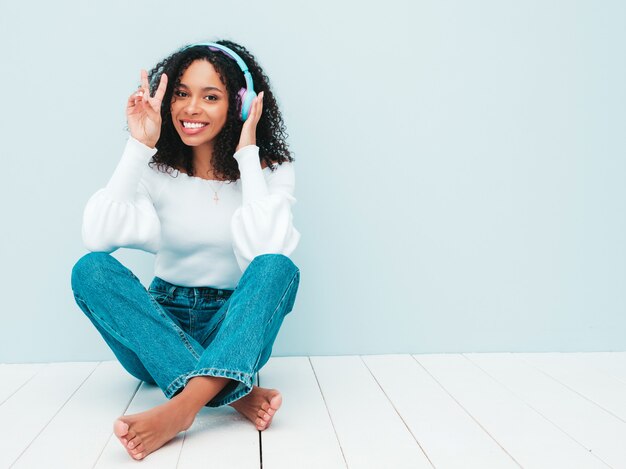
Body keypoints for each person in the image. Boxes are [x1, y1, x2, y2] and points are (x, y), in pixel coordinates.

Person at [70, 39, 301, 461]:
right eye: (181, 93)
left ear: (241, 105)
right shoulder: (156, 169)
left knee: (276, 267)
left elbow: (265, 252)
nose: (190, 108)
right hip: (157, 329)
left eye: (210, 97)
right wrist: (138, 146)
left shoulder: (270, 169)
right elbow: (97, 236)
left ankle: (180, 409)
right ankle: (231, 393)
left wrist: (247, 152)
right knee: (90, 269)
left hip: (233, 329)